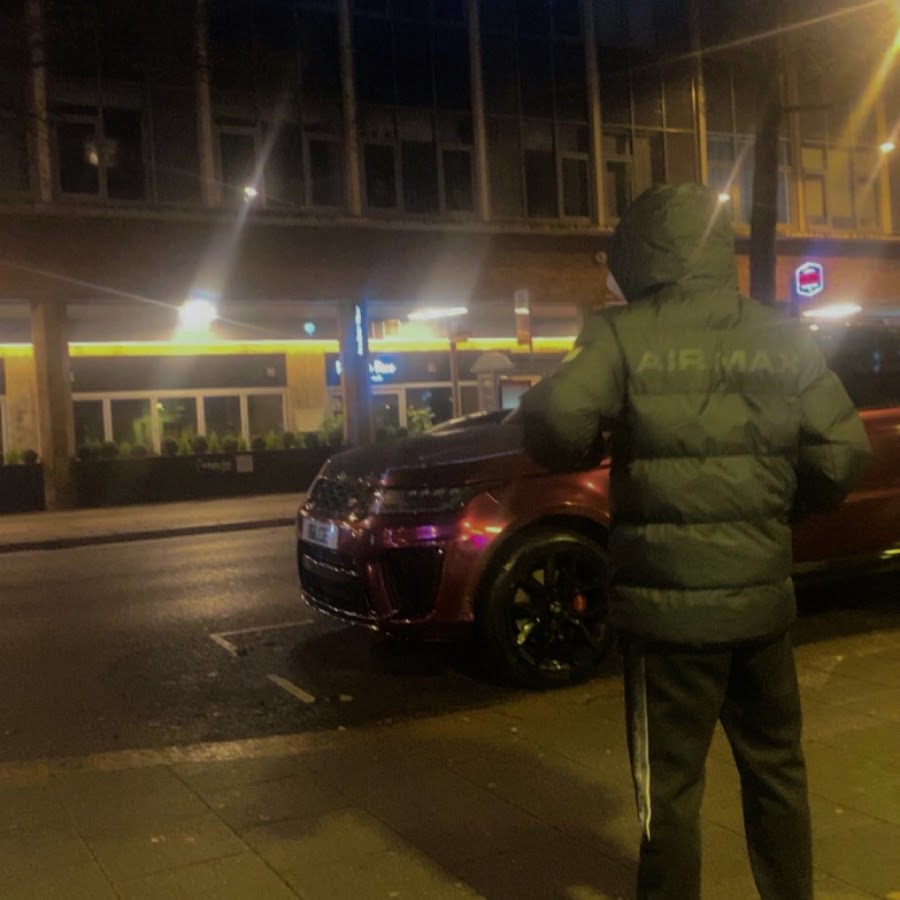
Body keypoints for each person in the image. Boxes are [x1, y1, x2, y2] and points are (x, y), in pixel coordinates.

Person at [518, 183, 871, 900]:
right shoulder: (779, 332)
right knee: (777, 768)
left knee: (670, 788)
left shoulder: (621, 334)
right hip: (761, 607)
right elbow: (843, 454)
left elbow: (556, 421)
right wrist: (773, 513)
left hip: (666, 621)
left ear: (639, 253)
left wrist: (591, 443)